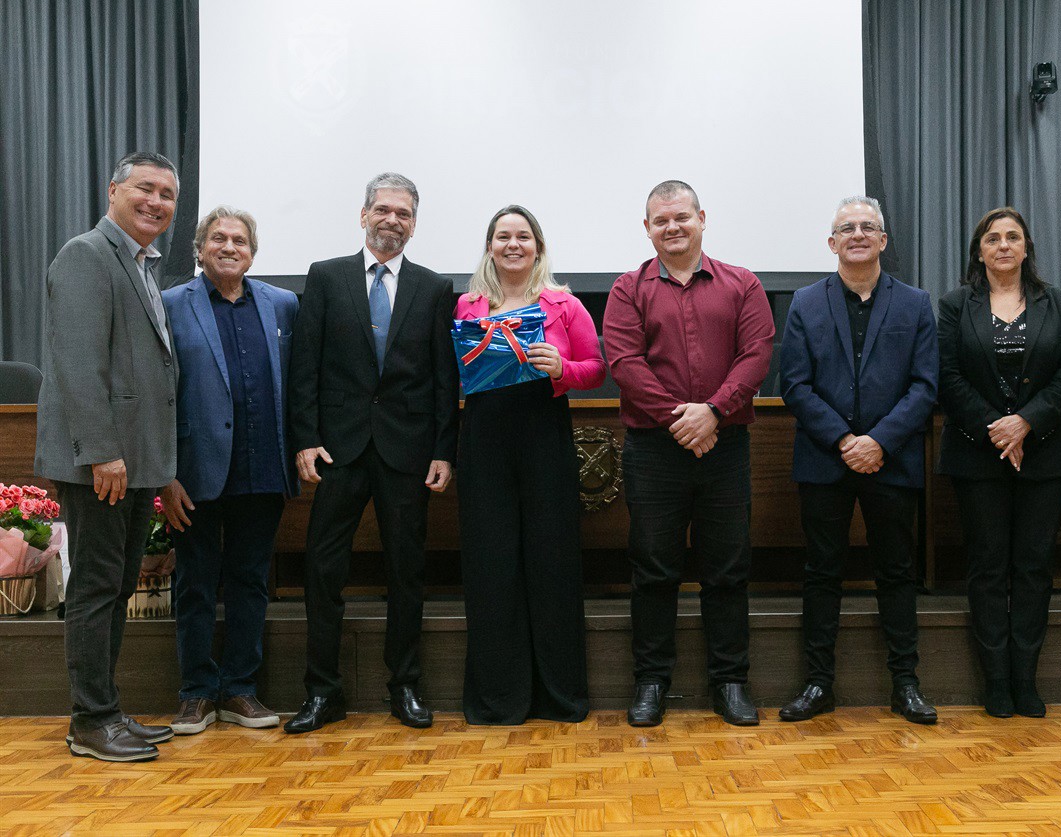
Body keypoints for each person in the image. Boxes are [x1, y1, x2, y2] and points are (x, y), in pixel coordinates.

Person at [285, 173, 460, 733]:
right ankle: (322, 692)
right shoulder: (326, 276)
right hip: (337, 449)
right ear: (364, 216)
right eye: (383, 209)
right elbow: (305, 365)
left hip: (407, 451)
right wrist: (305, 437)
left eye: (403, 213)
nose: (392, 220)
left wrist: (443, 449)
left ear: (414, 224)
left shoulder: (434, 288)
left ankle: (404, 686)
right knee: (323, 569)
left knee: (406, 571)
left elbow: (444, 377)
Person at [603, 180, 774, 728]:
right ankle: (651, 682)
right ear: (647, 228)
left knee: (728, 569)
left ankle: (731, 683)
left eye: (681, 217)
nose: (672, 227)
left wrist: (714, 412)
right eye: (661, 220)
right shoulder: (627, 289)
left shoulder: (743, 283)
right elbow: (624, 363)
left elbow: (756, 354)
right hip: (654, 451)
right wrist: (684, 420)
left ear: (702, 218)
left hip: (726, 447)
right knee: (654, 569)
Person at [35, 151, 181, 761]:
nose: (156, 202)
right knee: (97, 587)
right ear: (114, 191)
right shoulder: (86, 255)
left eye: (167, 195)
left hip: (134, 461)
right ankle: (91, 721)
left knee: (117, 584)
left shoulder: (140, 263)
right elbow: (78, 364)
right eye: (145, 188)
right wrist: (101, 452)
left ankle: (107, 710)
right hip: (103, 463)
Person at [777, 196, 939, 725]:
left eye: (868, 226)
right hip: (825, 460)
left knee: (897, 572)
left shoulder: (915, 303)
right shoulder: (805, 302)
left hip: (891, 461)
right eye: (847, 228)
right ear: (832, 243)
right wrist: (846, 440)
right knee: (822, 572)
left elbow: (925, 385)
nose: (858, 234)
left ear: (883, 240)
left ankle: (906, 684)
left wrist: (879, 442)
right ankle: (818, 683)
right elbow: (794, 385)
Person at [454, 205, 604, 724]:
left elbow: (596, 369)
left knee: (551, 561)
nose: (513, 244)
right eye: (503, 236)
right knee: (491, 565)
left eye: (523, 236)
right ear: (490, 246)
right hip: (484, 439)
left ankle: (558, 695)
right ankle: (499, 698)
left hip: (544, 435)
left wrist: (562, 368)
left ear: (538, 246)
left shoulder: (565, 304)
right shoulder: (467, 306)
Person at [935, 207, 1061, 718]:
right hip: (976, 455)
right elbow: (947, 375)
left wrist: (1025, 423)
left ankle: (1026, 679)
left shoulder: (1059, 304)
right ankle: (996, 681)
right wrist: (995, 427)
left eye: (1013, 237)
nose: (1003, 245)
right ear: (979, 251)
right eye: (993, 238)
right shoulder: (955, 305)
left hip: (1043, 453)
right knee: (987, 567)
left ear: (1026, 248)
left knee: (1034, 567)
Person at [159, 206, 299, 734]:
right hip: (195, 470)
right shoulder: (172, 304)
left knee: (250, 581)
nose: (228, 247)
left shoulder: (282, 304)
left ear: (252, 253)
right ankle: (195, 693)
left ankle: (240, 689)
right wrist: (166, 474)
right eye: (217, 238)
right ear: (199, 249)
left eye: (239, 240)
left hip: (262, 467)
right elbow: (158, 394)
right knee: (195, 582)